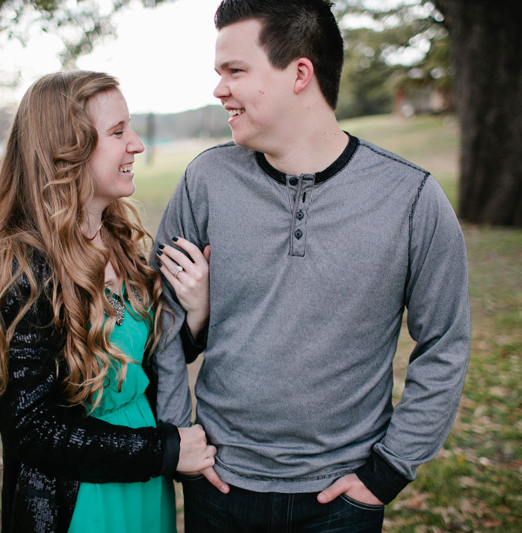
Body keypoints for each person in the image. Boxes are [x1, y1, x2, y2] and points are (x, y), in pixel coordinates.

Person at [152, 1, 472, 531]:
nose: (219, 89)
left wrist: (388, 472)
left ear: (300, 73)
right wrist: (176, 437)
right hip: (219, 488)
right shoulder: (206, 181)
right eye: (219, 73)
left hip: (340, 502)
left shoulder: (410, 197)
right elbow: (159, 318)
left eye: (235, 71)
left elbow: (445, 343)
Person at [0, 71, 216, 533]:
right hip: (79, 500)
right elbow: (33, 429)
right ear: (68, 151)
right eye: (118, 132)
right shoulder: (17, 273)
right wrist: (168, 451)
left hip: (145, 485)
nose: (136, 144)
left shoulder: (121, 244)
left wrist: (196, 311)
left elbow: (140, 363)